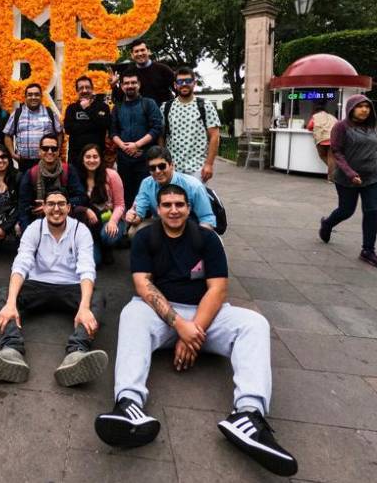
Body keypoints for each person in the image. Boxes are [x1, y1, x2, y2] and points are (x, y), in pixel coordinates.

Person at [95, 184, 298, 477]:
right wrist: (179, 326)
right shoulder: (144, 238)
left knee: (255, 324)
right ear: (158, 208)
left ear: (189, 208)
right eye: (167, 205)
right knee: (131, 313)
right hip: (163, 315)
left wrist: (193, 333)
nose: (174, 210)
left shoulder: (207, 239)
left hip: (205, 314)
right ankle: (128, 404)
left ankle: (248, 416)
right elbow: (143, 284)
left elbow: (218, 289)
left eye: (179, 204)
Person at [0, 189, 106, 387]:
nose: (56, 209)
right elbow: (21, 263)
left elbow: (87, 268)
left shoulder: (80, 230)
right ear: (43, 208)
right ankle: (11, 351)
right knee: (5, 293)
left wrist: (84, 307)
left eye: (61, 204)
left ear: (68, 208)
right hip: (37, 285)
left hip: (71, 286)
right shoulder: (35, 228)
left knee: (97, 297)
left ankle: (77, 354)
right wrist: (10, 303)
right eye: (51, 204)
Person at [318, 94, 377, 269]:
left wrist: (374, 166)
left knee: (372, 211)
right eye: (360, 106)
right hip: (347, 178)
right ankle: (327, 223)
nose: (364, 109)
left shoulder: (372, 126)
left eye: (367, 106)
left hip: (373, 176)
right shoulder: (341, 127)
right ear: (351, 108)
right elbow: (337, 152)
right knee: (346, 210)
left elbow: (375, 149)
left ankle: (368, 250)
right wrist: (350, 173)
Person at [125, 146, 216, 231]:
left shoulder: (193, 185)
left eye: (162, 166)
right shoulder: (146, 184)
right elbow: (139, 214)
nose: (157, 171)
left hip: (190, 226)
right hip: (162, 224)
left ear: (172, 165)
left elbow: (207, 218)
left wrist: (200, 238)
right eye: (152, 168)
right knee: (134, 230)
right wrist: (132, 216)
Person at [110, 68, 164, 208]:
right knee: (126, 195)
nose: (130, 86)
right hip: (124, 160)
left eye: (133, 82)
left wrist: (137, 145)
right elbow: (113, 132)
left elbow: (156, 128)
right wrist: (124, 147)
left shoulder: (149, 104)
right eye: (126, 83)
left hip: (145, 159)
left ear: (139, 84)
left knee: (146, 195)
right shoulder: (117, 107)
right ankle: (129, 224)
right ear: (121, 86)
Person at [161, 67, 221, 182]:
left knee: (196, 200)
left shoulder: (205, 105)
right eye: (180, 81)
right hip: (173, 168)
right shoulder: (166, 107)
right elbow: (161, 136)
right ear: (175, 85)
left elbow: (214, 136)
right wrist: (164, 161)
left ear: (194, 83)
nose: (184, 84)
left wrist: (209, 164)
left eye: (188, 81)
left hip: (197, 168)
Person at [17, 134, 87, 231]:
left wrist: (54, 205)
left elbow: (81, 197)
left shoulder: (69, 170)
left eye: (53, 149)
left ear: (58, 151)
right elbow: (23, 208)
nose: (50, 152)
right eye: (45, 148)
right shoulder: (31, 174)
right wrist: (28, 233)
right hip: (38, 225)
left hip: (67, 224)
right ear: (40, 151)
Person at [77, 144, 126, 265]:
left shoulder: (111, 175)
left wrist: (113, 221)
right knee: (95, 262)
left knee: (109, 236)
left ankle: (106, 246)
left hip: (109, 218)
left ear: (100, 158)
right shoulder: (77, 176)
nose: (91, 160)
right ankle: (96, 245)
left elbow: (120, 204)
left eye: (95, 157)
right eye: (88, 157)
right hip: (88, 224)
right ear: (82, 159)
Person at [3, 83, 63, 171]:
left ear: (41, 97)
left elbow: (59, 133)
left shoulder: (49, 112)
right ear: (25, 97)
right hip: (24, 163)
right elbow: (7, 135)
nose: (33, 97)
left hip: (47, 161)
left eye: (36, 94)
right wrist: (12, 153)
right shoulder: (17, 114)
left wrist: (57, 151)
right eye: (30, 95)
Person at [63, 76, 111, 165]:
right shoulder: (71, 108)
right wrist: (93, 125)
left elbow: (105, 124)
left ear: (92, 89)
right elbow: (68, 129)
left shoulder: (103, 107)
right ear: (77, 91)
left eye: (87, 87)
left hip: (96, 156)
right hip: (76, 157)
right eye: (81, 88)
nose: (84, 90)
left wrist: (88, 109)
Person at [110, 40, 175, 105]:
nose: (140, 54)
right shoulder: (127, 74)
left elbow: (178, 89)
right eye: (136, 51)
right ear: (132, 55)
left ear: (149, 52)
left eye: (142, 50)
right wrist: (114, 86)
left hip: (163, 112)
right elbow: (119, 98)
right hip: (140, 113)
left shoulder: (163, 69)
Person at [306, 103, 337, 178]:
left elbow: (309, 127)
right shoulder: (332, 117)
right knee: (331, 157)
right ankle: (333, 175)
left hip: (322, 139)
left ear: (316, 111)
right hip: (334, 138)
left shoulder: (315, 117)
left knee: (323, 155)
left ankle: (334, 174)